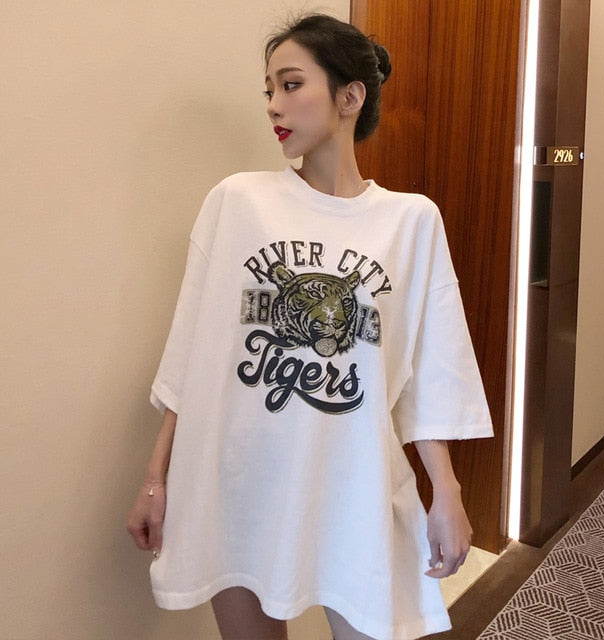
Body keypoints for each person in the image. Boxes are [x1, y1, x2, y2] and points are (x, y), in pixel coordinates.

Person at [127, 13, 493, 640]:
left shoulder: (411, 220)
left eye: (292, 84)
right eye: (269, 89)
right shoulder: (237, 201)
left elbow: (432, 369)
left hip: (354, 486)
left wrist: (447, 493)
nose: (274, 104)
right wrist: (156, 478)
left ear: (350, 97)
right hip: (239, 483)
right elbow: (193, 349)